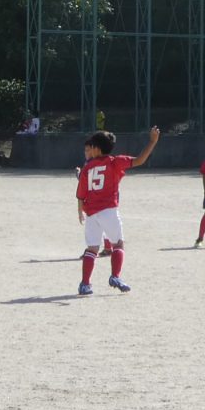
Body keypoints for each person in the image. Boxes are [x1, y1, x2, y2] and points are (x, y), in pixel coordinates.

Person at [76, 125, 160, 295]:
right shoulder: (115, 162)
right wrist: (152, 141)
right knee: (118, 244)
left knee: (92, 248)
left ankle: (85, 284)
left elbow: (80, 195)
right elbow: (140, 160)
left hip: (91, 213)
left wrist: (80, 211)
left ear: (97, 149)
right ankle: (115, 276)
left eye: (91, 147)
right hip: (108, 210)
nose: (89, 150)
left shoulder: (87, 168)